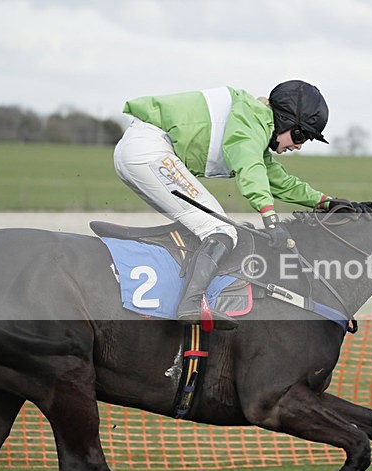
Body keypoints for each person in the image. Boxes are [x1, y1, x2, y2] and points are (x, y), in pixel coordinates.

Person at [114, 80, 358, 330]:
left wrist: (323, 201)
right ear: (284, 120)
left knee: (203, 226)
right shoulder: (249, 120)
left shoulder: (254, 125)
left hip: (140, 151)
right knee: (221, 230)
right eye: (299, 135)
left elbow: (276, 179)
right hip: (149, 151)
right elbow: (250, 169)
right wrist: (270, 219)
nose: (298, 145)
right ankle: (191, 305)